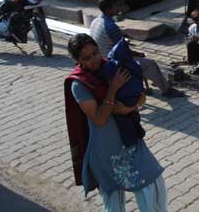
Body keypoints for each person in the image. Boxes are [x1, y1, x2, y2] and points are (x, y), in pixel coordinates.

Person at [64, 34, 167, 211]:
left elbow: (140, 97)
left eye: (95, 53)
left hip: (130, 139)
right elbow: (99, 119)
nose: (95, 59)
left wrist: (128, 108)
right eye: (87, 58)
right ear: (77, 60)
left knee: (152, 185)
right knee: (113, 201)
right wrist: (113, 89)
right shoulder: (79, 84)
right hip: (106, 149)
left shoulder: (113, 67)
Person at [90, 0, 177, 97]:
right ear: (108, 9)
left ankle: (148, 84)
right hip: (113, 63)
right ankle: (166, 90)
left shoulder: (96, 21)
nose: (119, 8)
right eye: (116, 6)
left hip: (102, 58)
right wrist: (138, 54)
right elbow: (123, 51)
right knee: (150, 64)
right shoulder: (110, 26)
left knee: (140, 60)